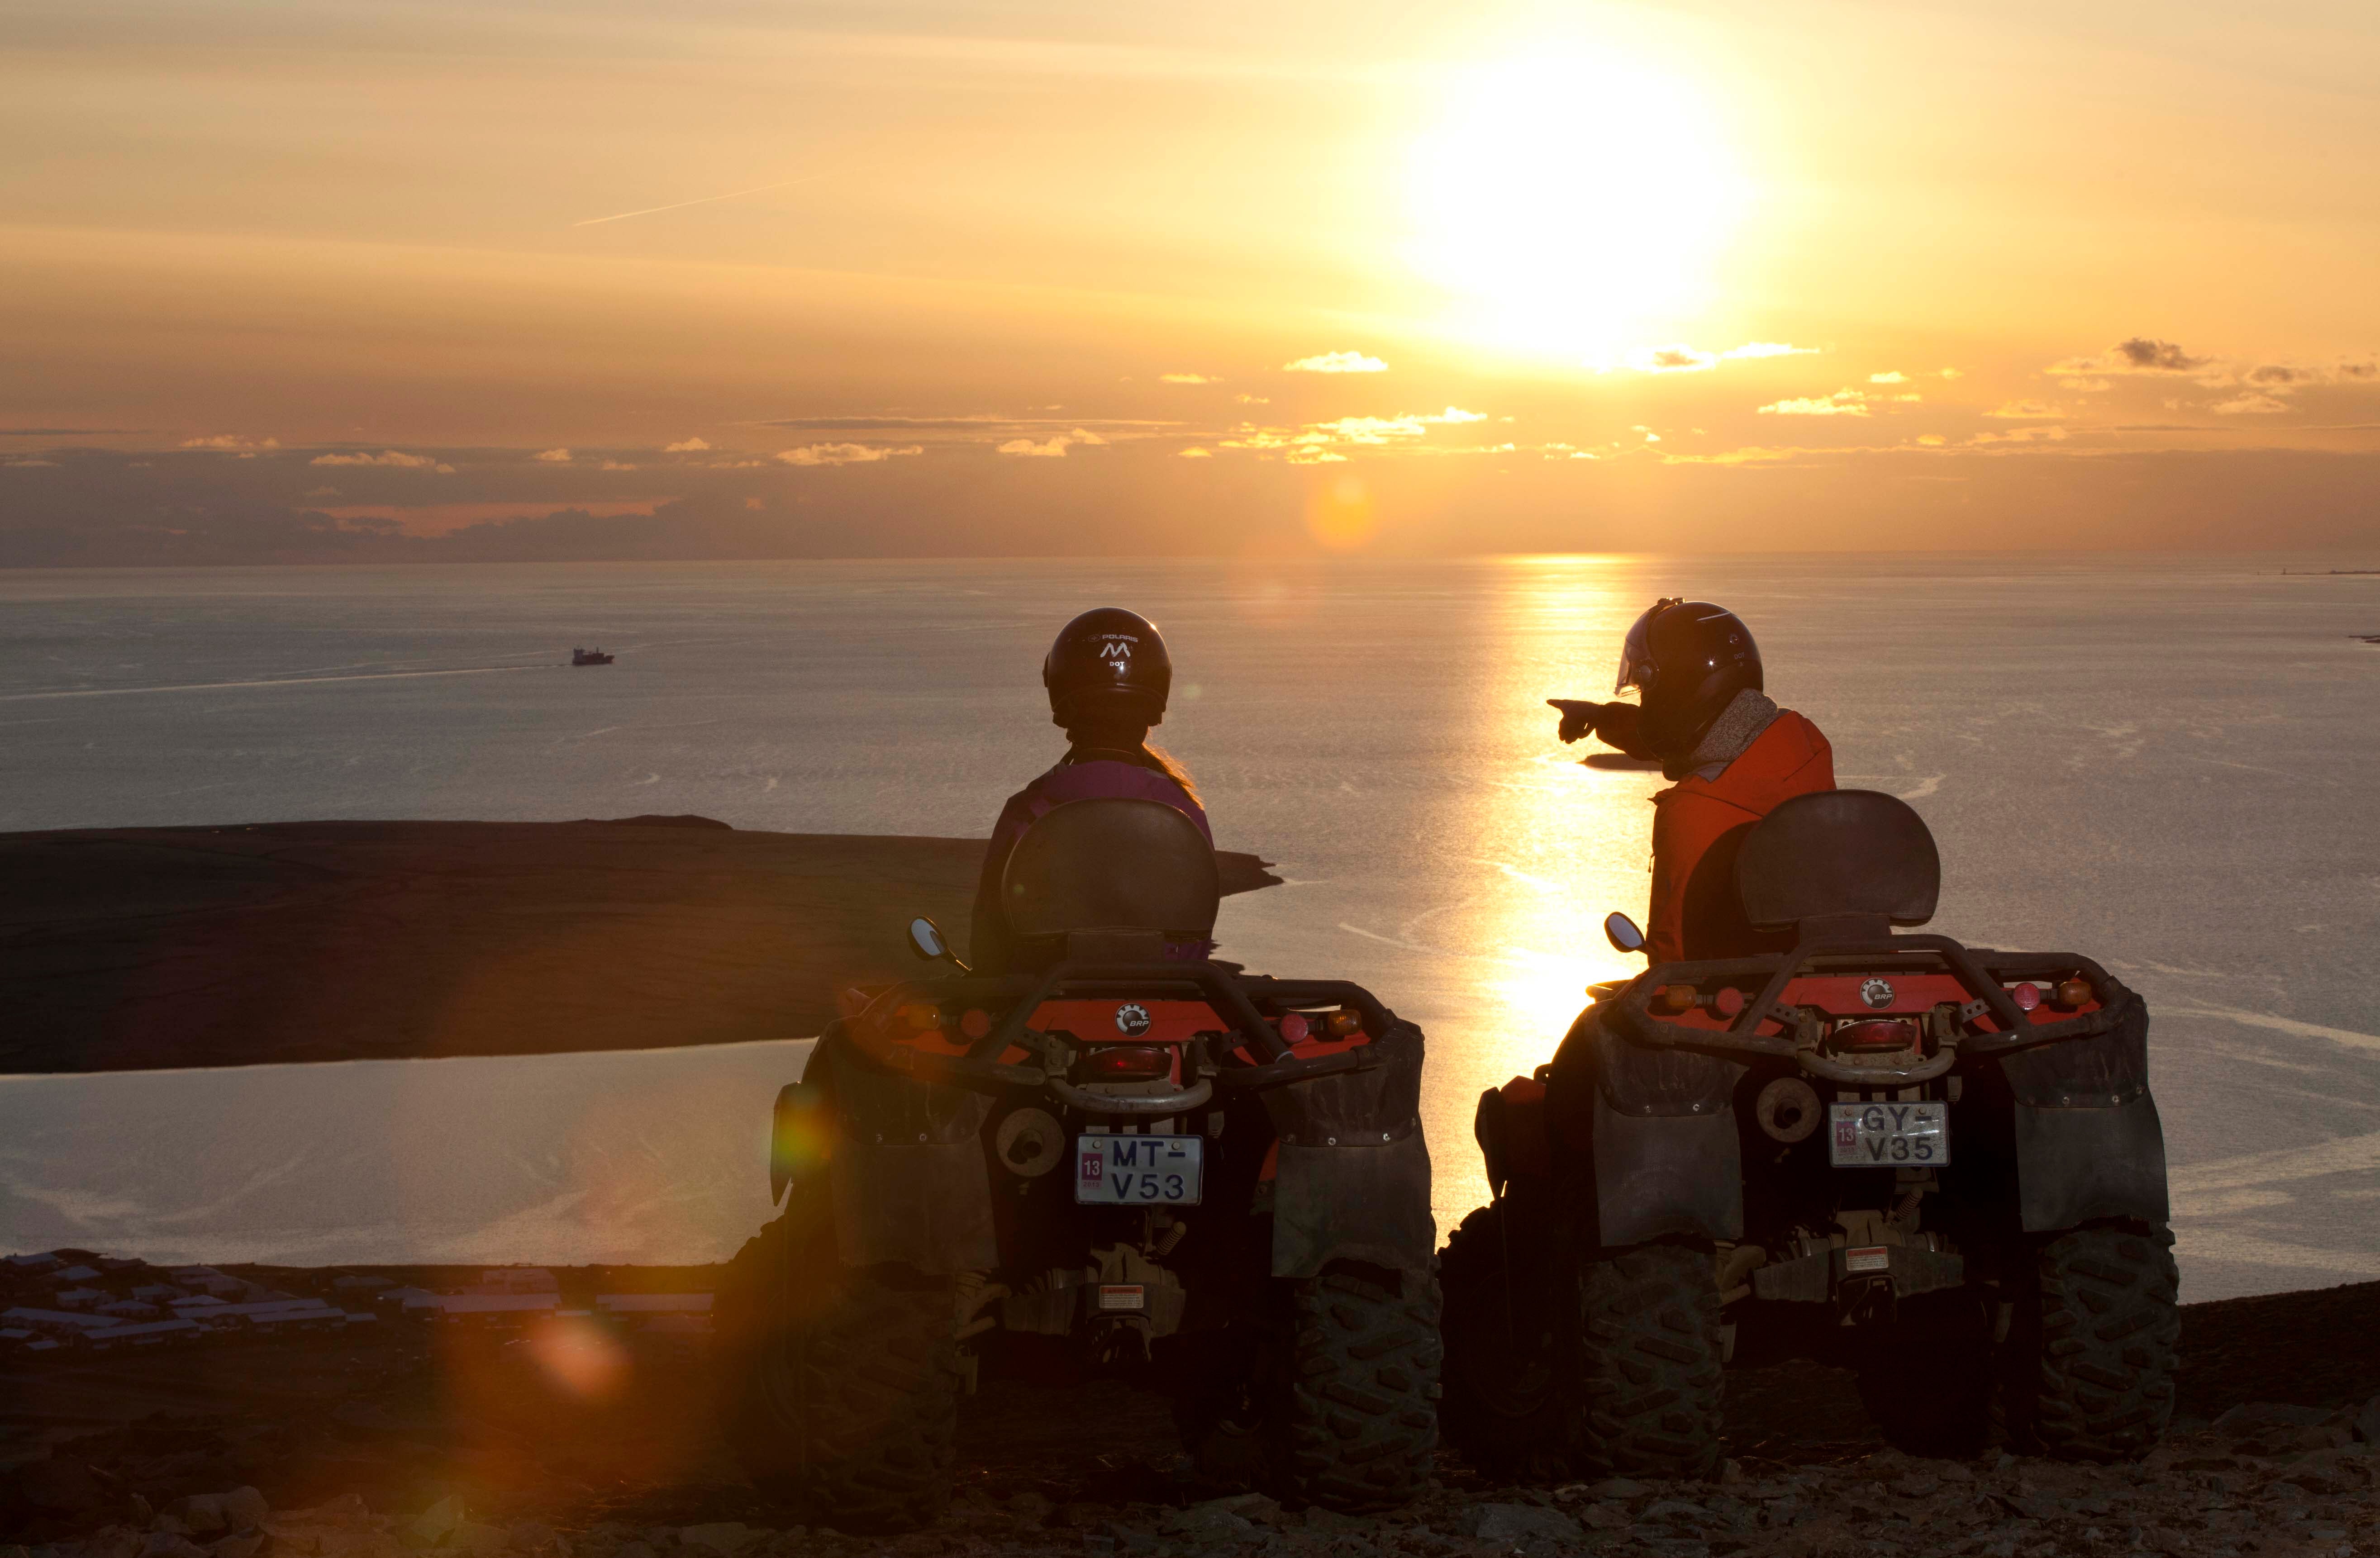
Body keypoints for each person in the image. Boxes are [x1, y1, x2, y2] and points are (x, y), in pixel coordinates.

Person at [1551, 598, 1835, 964]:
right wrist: (1601, 718)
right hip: (1818, 978)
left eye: (1649, 691)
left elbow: (1674, 955)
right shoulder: (1802, 751)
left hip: (1740, 999)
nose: (1649, 703)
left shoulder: (1693, 812)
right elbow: (1690, 740)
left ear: (1676, 692)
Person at [969, 607, 1212, 974]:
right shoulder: (1183, 808)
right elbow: (1197, 938)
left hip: (1044, 1014)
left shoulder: (1030, 808)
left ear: (1062, 693)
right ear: (1155, 699)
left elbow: (988, 946)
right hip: (1165, 1010)